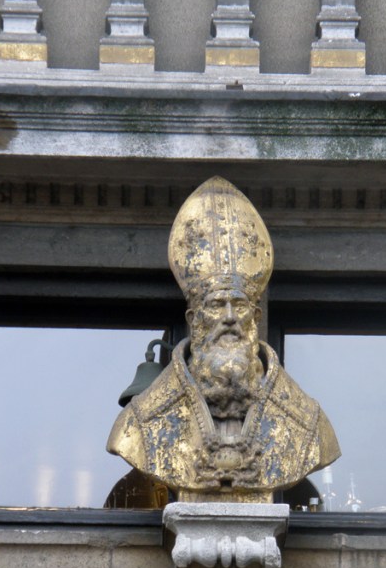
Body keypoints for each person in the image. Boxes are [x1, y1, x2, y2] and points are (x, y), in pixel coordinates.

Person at [108, 176, 340, 503]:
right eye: (217, 305)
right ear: (195, 321)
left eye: (240, 305)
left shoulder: (307, 425)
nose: (229, 317)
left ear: (255, 319)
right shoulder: (142, 424)